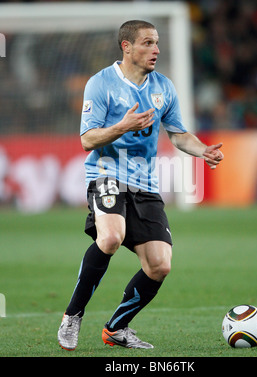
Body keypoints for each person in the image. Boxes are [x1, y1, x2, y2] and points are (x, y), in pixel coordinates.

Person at [57, 20, 223, 350]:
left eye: (157, 43)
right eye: (148, 43)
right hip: (106, 175)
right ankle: (72, 315)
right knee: (111, 236)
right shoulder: (100, 84)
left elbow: (177, 133)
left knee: (160, 265)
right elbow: (87, 140)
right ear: (127, 47)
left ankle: (116, 328)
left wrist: (202, 149)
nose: (156, 50)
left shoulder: (163, 87)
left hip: (145, 184)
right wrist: (122, 126)